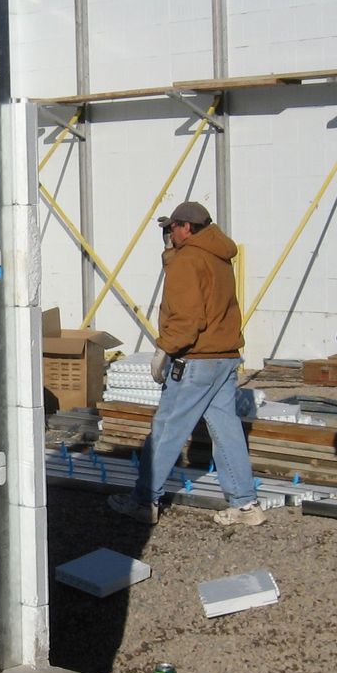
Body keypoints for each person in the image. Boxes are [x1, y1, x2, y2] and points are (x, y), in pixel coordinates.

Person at [108, 201, 266, 528]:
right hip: (223, 357)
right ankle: (246, 504)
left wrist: (164, 350)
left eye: (173, 227)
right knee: (226, 429)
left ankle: (144, 500)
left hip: (195, 360)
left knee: (167, 429)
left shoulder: (188, 260)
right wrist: (170, 254)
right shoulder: (217, 256)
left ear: (187, 228)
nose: (169, 233)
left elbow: (187, 315)